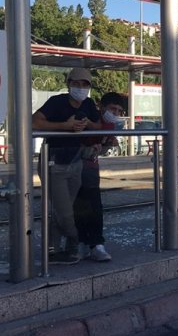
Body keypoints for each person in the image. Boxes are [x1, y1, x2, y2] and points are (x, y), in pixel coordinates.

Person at [33, 67, 101, 264]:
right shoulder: (57, 102)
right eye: (76, 84)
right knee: (65, 213)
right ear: (68, 84)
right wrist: (65, 126)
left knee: (62, 211)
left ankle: (54, 251)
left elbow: (98, 125)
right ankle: (75, 241)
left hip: (75, 162)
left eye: (85, 85)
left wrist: (87, 123)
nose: (80, 88)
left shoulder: (88, 104)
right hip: (54, 163)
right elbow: (34, 122)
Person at [74, 92, 126, 262]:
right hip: (74, 167)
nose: (115, 113)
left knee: (92, 205)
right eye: (112, 109)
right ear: (102, 107)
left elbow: (100, 146)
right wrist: (93, 148)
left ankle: (92, 243)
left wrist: (105, 145)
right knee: (81, 205)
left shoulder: (110, 125)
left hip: (90, 168)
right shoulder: (90, 120)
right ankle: (86, 242)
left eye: (119, 111)